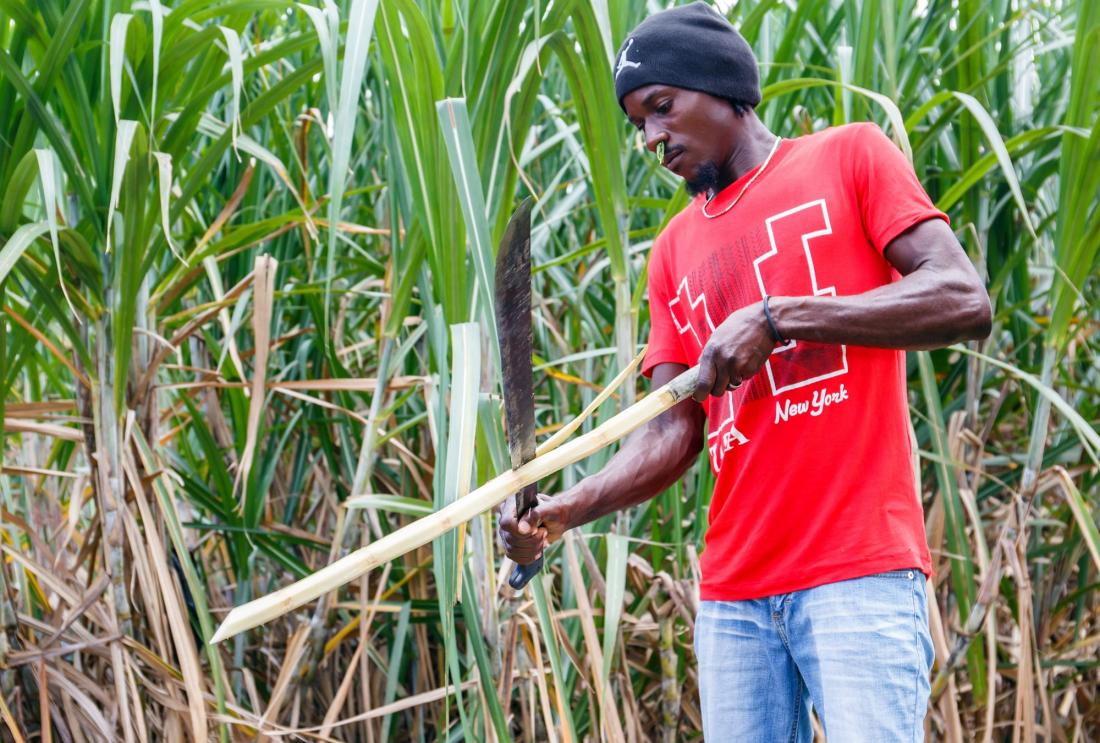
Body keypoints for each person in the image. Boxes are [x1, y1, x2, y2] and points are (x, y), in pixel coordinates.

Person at [497, 2, 992, 741]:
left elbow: (962, 297)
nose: (651, 139)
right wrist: (564, 510)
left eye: (661, 108)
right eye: (638, 123)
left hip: (857, 569)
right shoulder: (670, 251)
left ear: (723, 85)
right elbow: (671, 431)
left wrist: (781, 317)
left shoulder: (850, 156)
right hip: (735, 595)